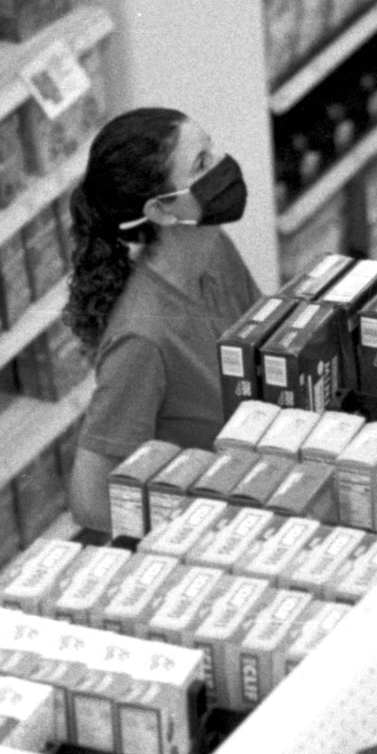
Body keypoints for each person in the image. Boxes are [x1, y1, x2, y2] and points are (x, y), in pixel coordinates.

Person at [65, 107, 263, 533]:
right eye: (201, 164)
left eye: (212, 149)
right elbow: (90, 499)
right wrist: (194, 528)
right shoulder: (142, 338)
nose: (222, 166)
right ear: (162, 211)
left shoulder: (215, 248)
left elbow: (264, 348)